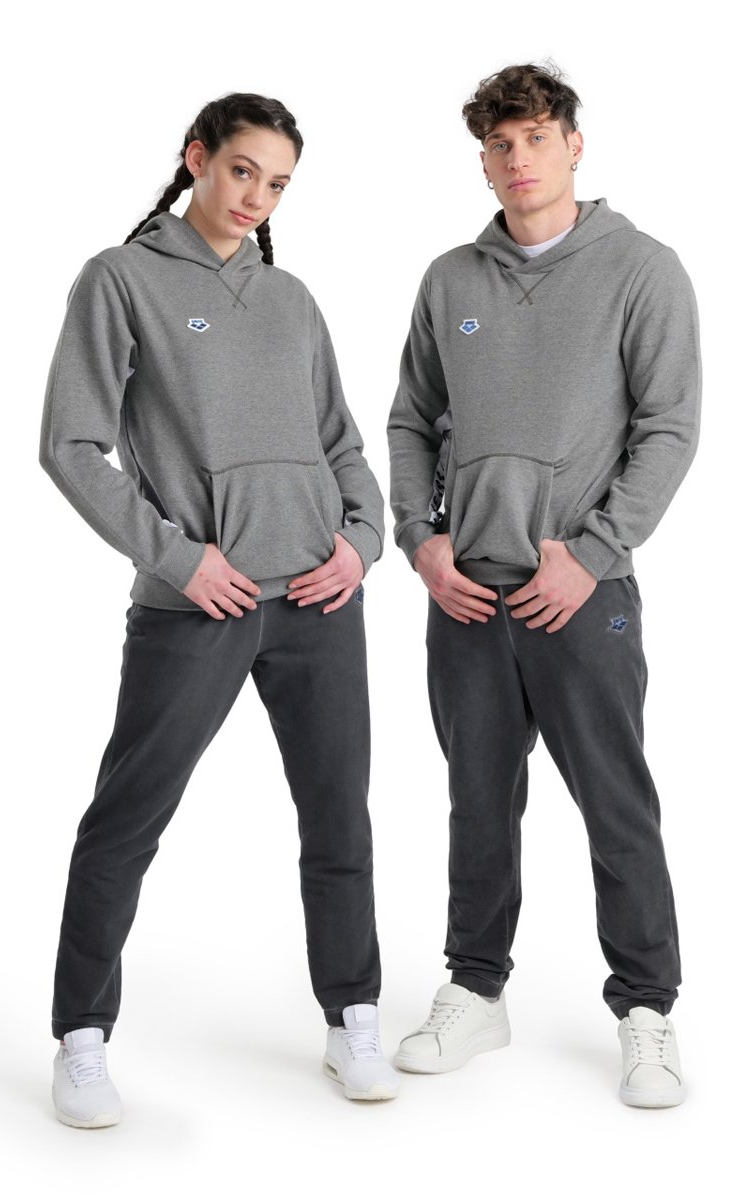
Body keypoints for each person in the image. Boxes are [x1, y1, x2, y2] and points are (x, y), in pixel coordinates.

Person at [40, 91, 400, 1127]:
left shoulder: (290, 298)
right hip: (197, 604)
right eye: (242, 170)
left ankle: (352, 1016)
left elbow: (339, 442)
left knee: (338, 817)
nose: (255, 197)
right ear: (197, 157)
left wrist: (361, 541)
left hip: (319, 600)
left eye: (276, 184)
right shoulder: (120, 280)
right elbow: (69, 445)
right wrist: (176, 558)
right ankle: (81, 1039)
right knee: (127, 819)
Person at [386, 63, 700, 1107]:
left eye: (534, 137)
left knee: (614, 799)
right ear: (482, 160)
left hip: (580, 590)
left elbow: (668, 428)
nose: (517, 158)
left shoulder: (641, 270)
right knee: (477, 798)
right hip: (465, 593)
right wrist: (421, 542)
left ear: (573, 144)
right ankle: (475, 988)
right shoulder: (450, 280)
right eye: (499, 144)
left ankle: (646, 1010)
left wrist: (593, 553)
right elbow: (409, 419)